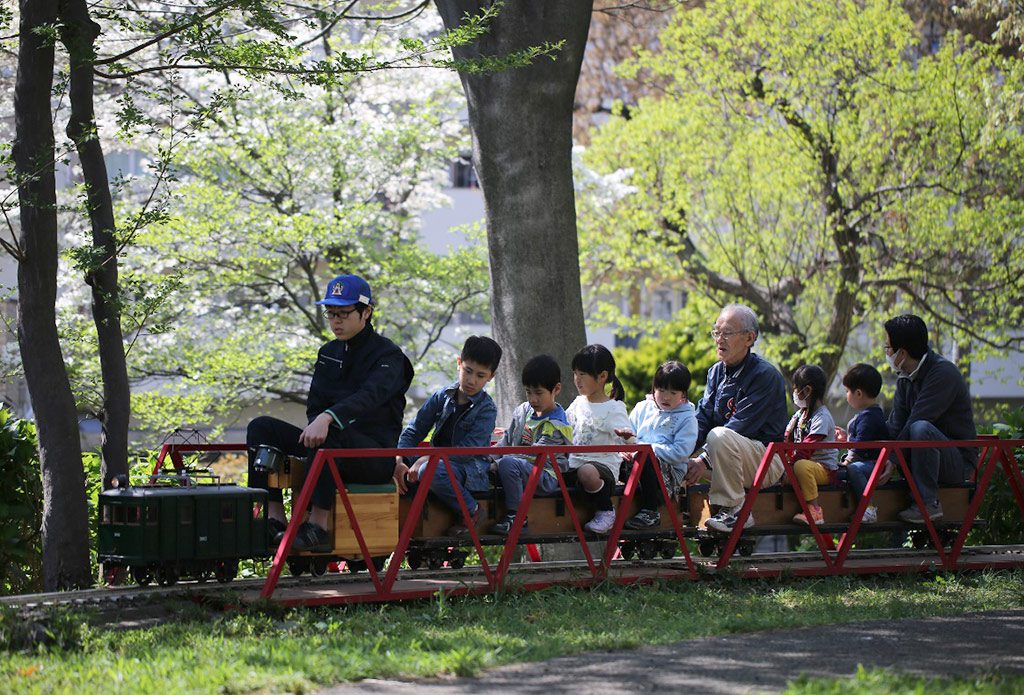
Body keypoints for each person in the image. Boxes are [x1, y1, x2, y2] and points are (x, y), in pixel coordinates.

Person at [247, 273, 414, 552]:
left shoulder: (389, 356)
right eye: (331, 313)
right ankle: (274, 517)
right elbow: (315, 404)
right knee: (261, 427)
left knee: (329, 432)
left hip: (373, 455)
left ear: (366, 312)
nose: (336, 320)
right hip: (328, 443)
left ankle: (319, 525)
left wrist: (327, 419)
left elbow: (369, 397)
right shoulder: (328, 352)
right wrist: (319, 421)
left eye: (344, 313)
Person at [683, 304, 789, 533]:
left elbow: (742, 427)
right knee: (675, 452)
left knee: (720, 435)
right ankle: (669, 512)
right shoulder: (715, 372)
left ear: (749, 338)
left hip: (767, 461)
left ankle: (736, 511)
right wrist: (681, 449)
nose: (719, 339)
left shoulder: (765, 376)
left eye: (727, 333)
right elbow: (703, 417)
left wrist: (702, 460)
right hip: (726, 455)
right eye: (716, 332)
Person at [396, 336, 501, 536]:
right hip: (437, 463)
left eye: (480, 375)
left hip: (468, 470)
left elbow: (467, 451)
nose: (471, 380)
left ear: (491, 376)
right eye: (468, 371)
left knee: (431, 469)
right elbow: (413, 430)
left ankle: (472, 510)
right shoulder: (441, 396)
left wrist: (428, 458)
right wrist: (400, 459)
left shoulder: (487, 409)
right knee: (388, 463)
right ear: (459, 364)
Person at [883, 315, 977, 523]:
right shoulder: (904, 378)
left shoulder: (943, 373)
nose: (886, 353)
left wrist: (892, 459)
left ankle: (928, 504)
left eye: (888, 348)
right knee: (890, 427)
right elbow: (896, 425)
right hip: (923, 456)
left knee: (920, 428)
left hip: (957, 461)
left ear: (903, 352)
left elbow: (918, 419)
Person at [490, 355, 574, 536]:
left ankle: (517, 517)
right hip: (519, 467)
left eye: (538, 392)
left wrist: (499, 462)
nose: (532, 398)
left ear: (556, 389)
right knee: (486, 463)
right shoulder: (523, 411)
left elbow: (535, 455)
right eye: (528, 392)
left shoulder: (556, 424)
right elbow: (507, 440)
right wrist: (489, 457)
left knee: (506, 464)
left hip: (546, 474)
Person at [616, 361, 698, 530]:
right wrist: (625, 445)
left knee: (645, 456)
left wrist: (647, 449)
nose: (666, 397)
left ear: (683, 394)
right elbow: (631, 437)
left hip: (667, 473)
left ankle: (651, 512)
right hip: (637, 465)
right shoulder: (642, 408)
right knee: (612, 459)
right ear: (654, 388)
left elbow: (681, 452)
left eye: (673, 392)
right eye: (661, 390)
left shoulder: (687, 418)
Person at [566, 344, 634, 535]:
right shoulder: (577, 403)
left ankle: (606, 510)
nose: (577, 380)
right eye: (575, 374)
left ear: (602, 376)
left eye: (583, 375)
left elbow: (630, 440)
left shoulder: (614, 408)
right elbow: (563, 427)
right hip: (574, 464)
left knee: (587, 471)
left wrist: (627, 437)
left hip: (601, 468)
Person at [786, 365, 839, 525]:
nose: (795, 394)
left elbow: (808, 447)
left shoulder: (822, 416)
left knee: (802, 466)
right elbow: (787, 437)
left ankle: (815, 510)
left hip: (823, 468)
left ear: (807, 390)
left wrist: (790, 465)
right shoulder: (800, 414)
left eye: (796, 390)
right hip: (803, 463)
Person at [840, 363, 891, 524]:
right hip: (869, 461)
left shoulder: (868, 418)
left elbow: (860, 447)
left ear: (859, 393)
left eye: (848, 391)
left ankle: (867, 508)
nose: (846, 395)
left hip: (873, 463)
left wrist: (847, 461)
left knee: (853, 469)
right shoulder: (869, 414)